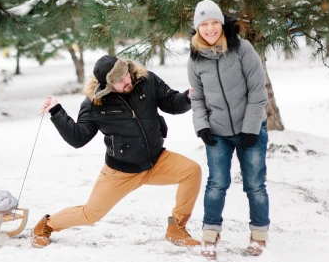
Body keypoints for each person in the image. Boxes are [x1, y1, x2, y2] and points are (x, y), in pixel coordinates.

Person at [32, 55, 202, 248]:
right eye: (119, 81)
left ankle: (176, 228)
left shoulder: (147, 81)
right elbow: (78, 138)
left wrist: (187, 97)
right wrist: (56, 111)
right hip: (121, 171)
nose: (127, 80)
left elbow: (171, 102)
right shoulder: (95, 104)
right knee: (90, 214)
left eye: (126, 74)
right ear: (107, 86)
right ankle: (46, 225)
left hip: (156, 160)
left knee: (191, 171)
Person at [187, 0, 270, 259]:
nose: (210, 29)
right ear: (197, 28)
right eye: (204, 24)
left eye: (214, 22)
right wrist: (201, 126)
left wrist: (250, 128)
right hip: (218, 132)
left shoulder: (242, 49)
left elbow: (258, 91)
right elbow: (197, 97)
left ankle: (259, 234)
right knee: (216, 183)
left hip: (252, 130)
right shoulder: (195, 59)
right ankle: (210, 234)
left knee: (254, 185)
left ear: (222, 24)